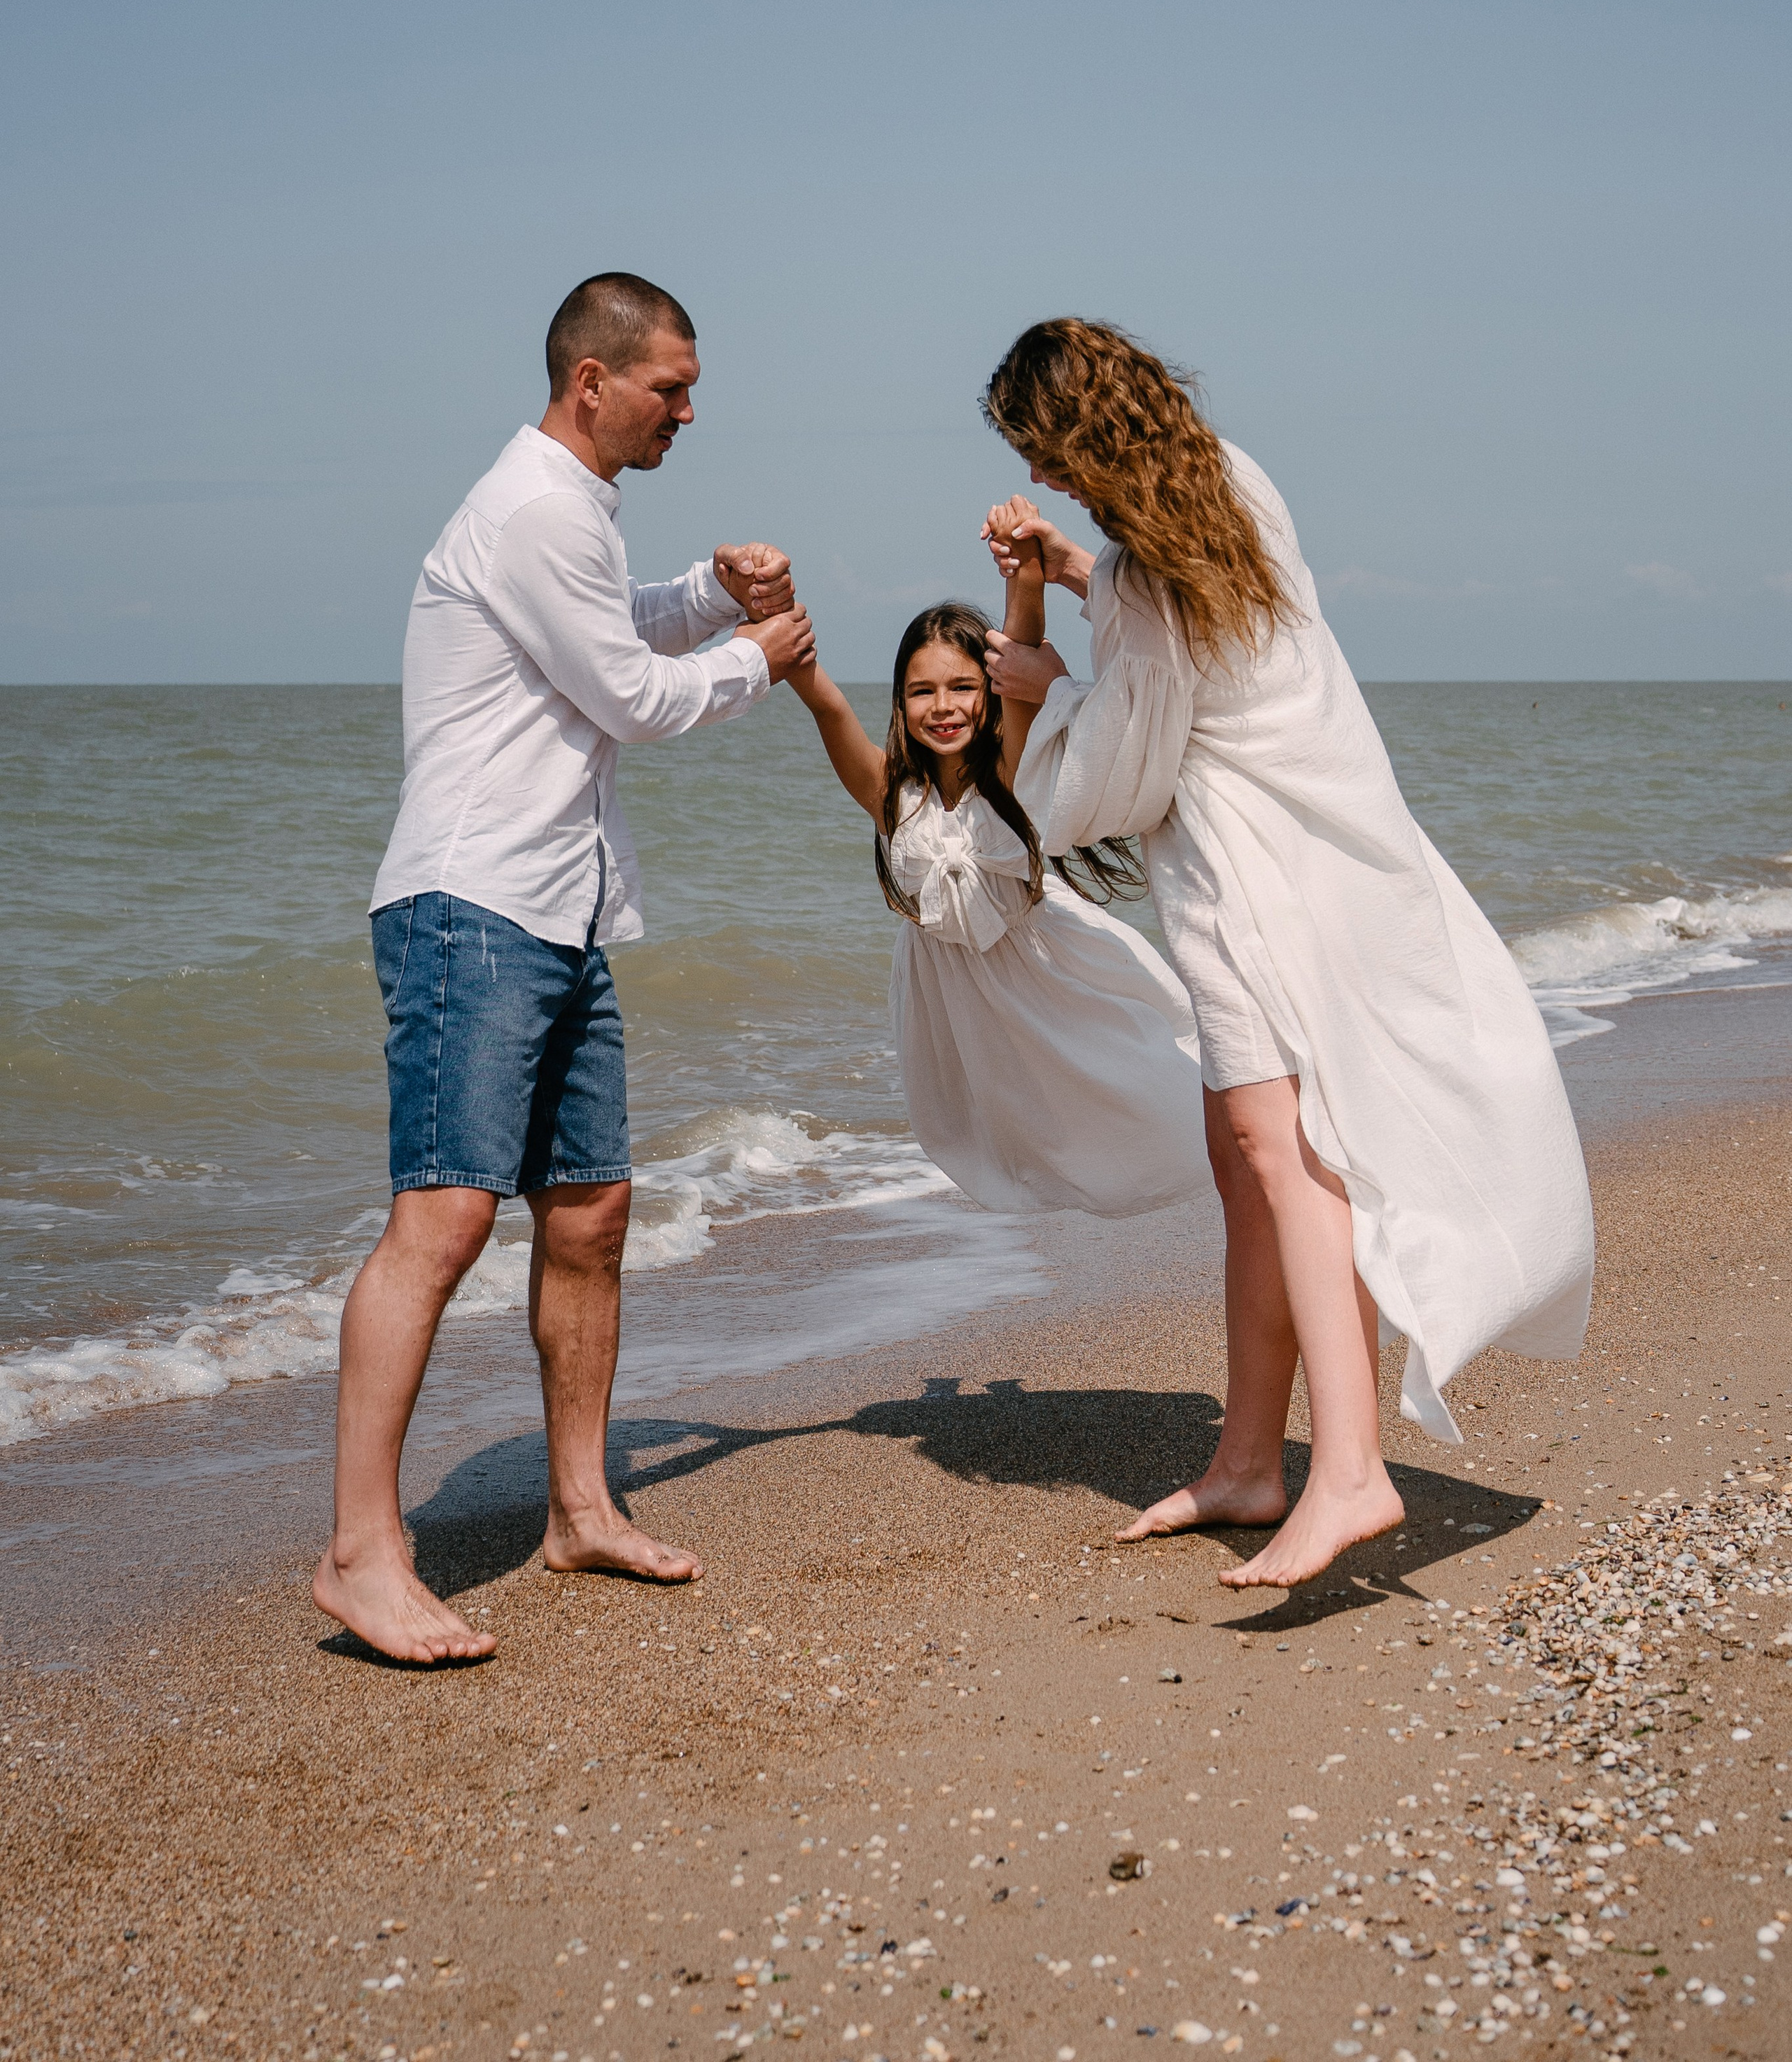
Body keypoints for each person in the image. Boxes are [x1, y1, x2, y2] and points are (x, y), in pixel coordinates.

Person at [979, 317, 1594, 1591]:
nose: (1044, 480)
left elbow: (1127, 770)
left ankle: (1352, 1471)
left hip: (1250, 878)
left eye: (1044, 452)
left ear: (1083, 432)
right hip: (1327, 849)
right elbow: (1194, 636)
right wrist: (1079, 573)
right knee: (1243, 1154)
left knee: (1287, 1150)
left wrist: (1035, 689)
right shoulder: (1230, 483)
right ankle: (1251, 1460)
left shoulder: (1150, 570)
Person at [314, 272, 815, 1664]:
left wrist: (712, 592)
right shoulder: (533, 504)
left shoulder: (570, 513)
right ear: (588, 381)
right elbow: (630, 698)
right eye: (670, 387)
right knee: (446, 1217)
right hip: (470, 906)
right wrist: (757, 656)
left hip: (556, 909)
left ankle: (580, 1509)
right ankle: (362, 1553)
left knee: (589, 1210)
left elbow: (609, 631)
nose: (687, 410)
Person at [784, 524, 1208, 1218]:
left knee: (1158, 1106)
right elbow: (825, 703)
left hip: (1056, 989)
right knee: (1013, 1156)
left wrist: (1022, 572)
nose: (944, 706)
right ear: (899, 702)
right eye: (922, 691)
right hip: (963, 1017)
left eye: (962, 686)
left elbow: (1020, 643)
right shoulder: (890, 795)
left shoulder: (1011, 782)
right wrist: (776, 621)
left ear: (992, 690)